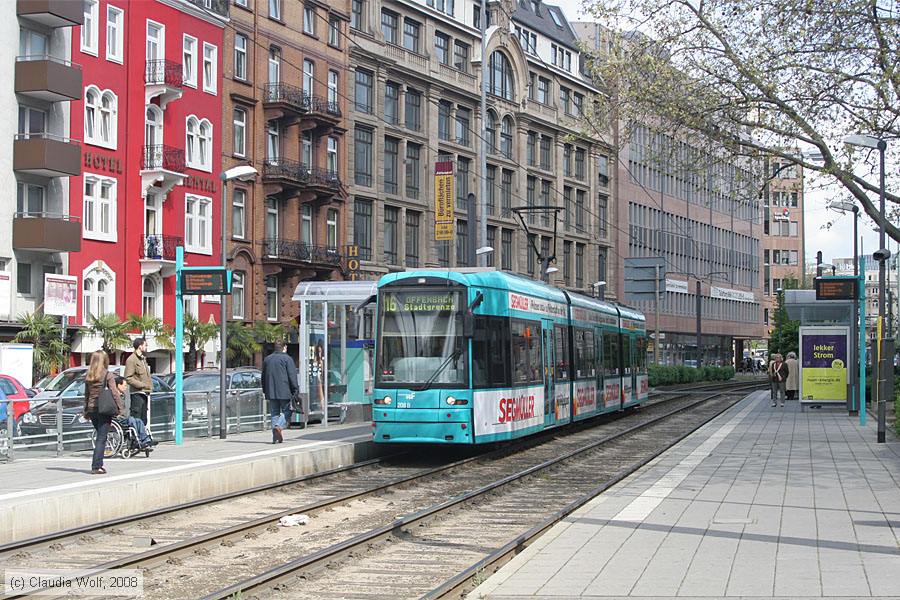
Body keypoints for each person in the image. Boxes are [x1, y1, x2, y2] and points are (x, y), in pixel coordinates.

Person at [83, 351, 123, 475]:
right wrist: (120, 408)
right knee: (101, 437)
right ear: (104, 361)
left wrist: (86, 410)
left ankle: (98, 464)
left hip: (92, 409)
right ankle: (97, 465)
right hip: (104, 409)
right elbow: (115, 393)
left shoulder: (89, 375)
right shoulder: (107, 375)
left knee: (99, 435)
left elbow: (86, 395)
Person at [262, 340, 299, 444]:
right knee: (289, 410)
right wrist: (295, 390)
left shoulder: (267, 359)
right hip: (285, 391)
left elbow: (263, 377)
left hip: (271, 391)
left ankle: (276, 438)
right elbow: (292, 376)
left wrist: (265, 390)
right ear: (285, 347)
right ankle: (279, 426)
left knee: (274, 413)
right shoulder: (287, 359)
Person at [114, 376, 156, 450]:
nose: (126, 387)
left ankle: (145, 440)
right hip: (117, 418)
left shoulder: (122, 396)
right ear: (118, 385)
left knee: (139, 420)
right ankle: (137, 441)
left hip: (123, 417)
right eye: (125, 385)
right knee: (132, 420)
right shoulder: (113, 396)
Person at [124, 338, 152, 425]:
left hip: (144, 393)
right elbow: (128, 377)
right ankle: (134, 437)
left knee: (143, 420)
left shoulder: (143, 359)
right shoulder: (131, 360)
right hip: (137, 394)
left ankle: (142, 437)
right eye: (145, 345)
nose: (146, 347)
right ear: (140, 346)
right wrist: (142, 385)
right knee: (136, 419)